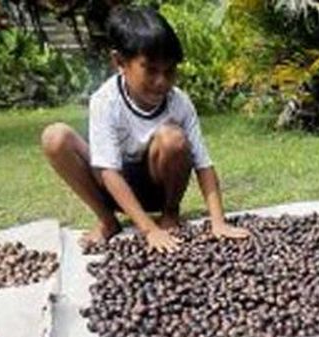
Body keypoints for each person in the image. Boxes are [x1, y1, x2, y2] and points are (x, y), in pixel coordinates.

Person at [41, 5, 248, 252]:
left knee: (172, 138)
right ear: (119, 62)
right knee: (55, 137)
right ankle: (108, 221)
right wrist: (149, 230)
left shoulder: (178, 102)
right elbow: (108, 172)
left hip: (158, 186)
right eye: (150, 70)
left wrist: (218, 222)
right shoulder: (105, 101)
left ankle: (170, 213)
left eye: (169, 71)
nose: (161, 81)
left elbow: (203, 165)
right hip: (115, 190)